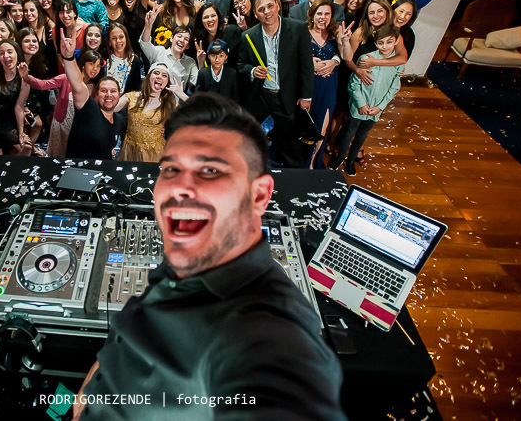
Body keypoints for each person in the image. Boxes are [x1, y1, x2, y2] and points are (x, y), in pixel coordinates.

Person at [73, 92, 345, 420]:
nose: (179, 190)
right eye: (171, 169)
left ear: (259, 195)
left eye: (211, 172)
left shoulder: (269, 333)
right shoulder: (189, 258)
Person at [238, 0, 314, 168]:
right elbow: (241, 64)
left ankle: (293, 180)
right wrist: (252, 71)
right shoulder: (248, 36)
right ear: (256, 14)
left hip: (290, 97)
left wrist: (306, 96)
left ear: (278, 6)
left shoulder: (298, 28)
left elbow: (306, 66)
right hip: (262, 98)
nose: (267, 12)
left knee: (291, 145)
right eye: (261, 9)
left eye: (270, 6)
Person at [329, 24, 402, 176]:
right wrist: (361, 104)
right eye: (381, 42)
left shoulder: (396, 64)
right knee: (349, 132)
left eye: (389, 42)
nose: (385, 46)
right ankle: (340, 158)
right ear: (375, 43)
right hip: (358, 106)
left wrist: (380, 107)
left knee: (362, 134)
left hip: (376, 109)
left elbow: (394, 88)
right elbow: (354, 84)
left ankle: (350, 162)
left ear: (395, 42)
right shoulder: (365, 58)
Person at [58, 27, 126, 160]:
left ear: (119, 95)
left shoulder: (120, 120)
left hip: (103, 171)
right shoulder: (89, 109)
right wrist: (68, 57)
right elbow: (77, 84)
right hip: (78, 170)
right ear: (96, 94)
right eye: (103, 91)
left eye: (113, 91)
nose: (108, 95)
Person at [18, 50, 101, 157]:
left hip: (79, 130)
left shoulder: (94, 87)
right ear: (83, 65)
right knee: (57, 158)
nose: (95, 69)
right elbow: (43, 84)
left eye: (98, 66)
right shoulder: (66, 78)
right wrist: (26, 77)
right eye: (91, 64)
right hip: (61, 125)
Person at [306, 0, 352, 169]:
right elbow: (293, 57)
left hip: (328, 86)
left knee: (322, 128)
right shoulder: (303, 32)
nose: (322, 17)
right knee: (306, 127)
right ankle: (301, 161)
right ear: (312, 15)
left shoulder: (335, 34)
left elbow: (347, 57)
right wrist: (309, 62)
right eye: (319, 13)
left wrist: (339, 55)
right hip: (309, 85)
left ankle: (312, 163)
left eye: (327, 14)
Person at [114, 63, 187, 162]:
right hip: (129, 150)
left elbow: (200, 112)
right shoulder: (132, 97)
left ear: (166, 82)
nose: (159, 77)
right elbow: (110, 109)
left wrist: (183, 96)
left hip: (154, 154)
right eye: (156, 73)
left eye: (164, 75)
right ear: (148, 77)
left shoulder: (169, 105)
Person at [140, 5, 198, 91]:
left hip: (176, 102)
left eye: (186, 39)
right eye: (179, 36)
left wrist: (200, 62)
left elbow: (196, 82)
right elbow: (145, 44)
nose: (182, 40)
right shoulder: (159, 52)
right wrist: (148, 26)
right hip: (155, 99)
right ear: (171, 38)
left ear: (188, 46)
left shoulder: (190, 62)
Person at [104, 22, 144, 93]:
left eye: (121, 37)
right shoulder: (104, 58)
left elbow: (136, 88)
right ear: (109, 42)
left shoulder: (135, 60)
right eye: (114, 38)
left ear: (126, 39)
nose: (118, 41)